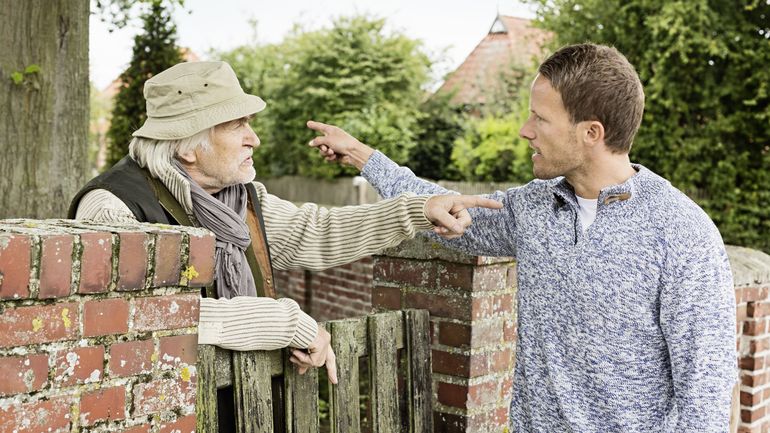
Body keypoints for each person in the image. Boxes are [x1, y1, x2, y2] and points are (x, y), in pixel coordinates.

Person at [307, 43, 736, 432]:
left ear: (591, 133)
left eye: (540, 118)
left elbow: (705, 401)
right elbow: (447, 205)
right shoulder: (533, 207)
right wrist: (364, 156)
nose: (525, 130)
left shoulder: (682, 234)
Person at [68, 61, 501, 421]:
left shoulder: (241, 198)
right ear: (188, 148)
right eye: (237, 125)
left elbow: (318, 231)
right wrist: (284, 322)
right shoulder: (113, 206)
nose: (253, 138)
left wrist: (417, 210)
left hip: (246, 405)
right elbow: (138, 316)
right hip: (160, 413)